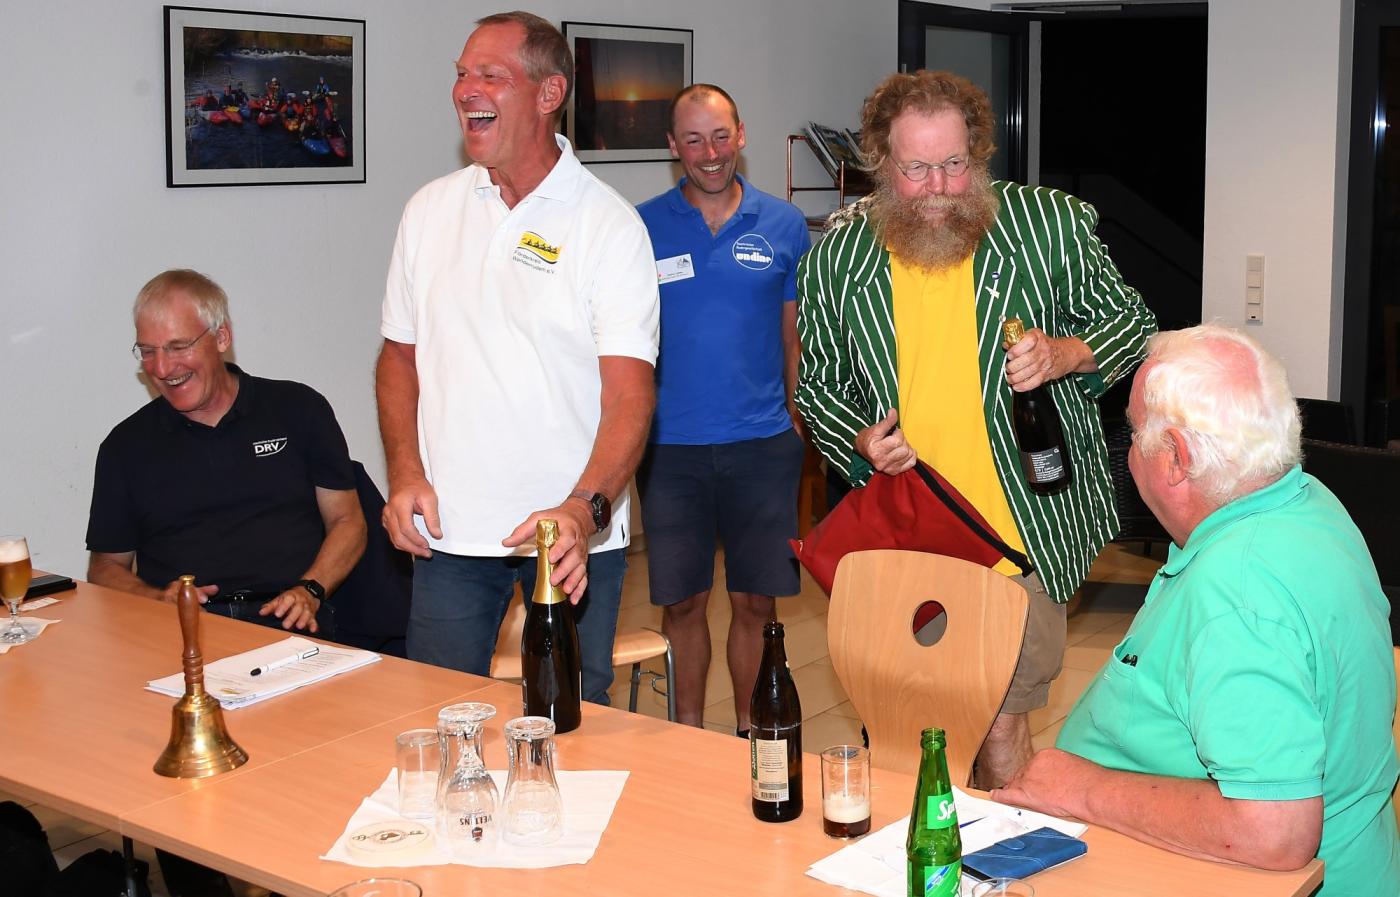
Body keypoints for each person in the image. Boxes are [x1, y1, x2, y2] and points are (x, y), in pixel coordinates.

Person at [795, 70, 1156, 787]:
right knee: (908, 723)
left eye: (955, 163)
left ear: (980, 153)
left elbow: (1132, 322)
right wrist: (860, 443)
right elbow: (818, 387)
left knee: (999, 719)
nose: (938, 188)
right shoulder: (838, 260)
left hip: (1022, 530)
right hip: (909, 534)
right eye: (916, 169)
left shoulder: (1047, 227)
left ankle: (1010, 843)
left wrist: (1064, 354)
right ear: (881, 163)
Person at [994, 324, 1399, 895]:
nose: (1127, 450)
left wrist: (1080, 789)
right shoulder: (1310, 502)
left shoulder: (1237, 591)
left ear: (1176, 458)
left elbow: (1276, 834)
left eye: (1133, 431)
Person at [376, 11, 659, 704]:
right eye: (461, 74)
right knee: (443, 713)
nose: (466, 89)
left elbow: (630, 393)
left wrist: (585, 508)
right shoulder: (427, 210)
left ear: (548, 92)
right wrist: (405, 471)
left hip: (567, 539)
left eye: (491, 75)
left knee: (568, 720)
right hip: (449, 531)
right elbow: (399, 358)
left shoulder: (609, 226)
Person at [635, 84, 810, 733]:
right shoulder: (640, 227)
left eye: (719, 137)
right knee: (683, 603)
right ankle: (686, 736)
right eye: (693, 140)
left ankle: (749, 735)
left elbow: (793, 336)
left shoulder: (784, 224)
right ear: (672, 146)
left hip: (762, 446)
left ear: (741, 135)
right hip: (669, 450)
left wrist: (797, 423)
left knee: (756, 602)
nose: (709, 154)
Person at [86, 269, 366, 637]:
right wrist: (155, 599)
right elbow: (105, 567)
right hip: (183, 631)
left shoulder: (298, 409)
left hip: (293, 623)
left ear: (221, 337)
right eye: (148, 351)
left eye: (178, 346)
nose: (162, 368)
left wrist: (310, 590)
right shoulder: (125, 446)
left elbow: (348, 521)